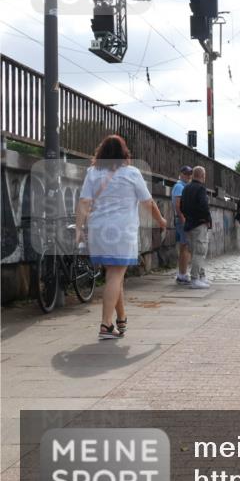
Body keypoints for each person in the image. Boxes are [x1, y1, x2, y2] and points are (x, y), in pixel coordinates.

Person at [76, 134, 167, 339]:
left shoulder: (92, 172)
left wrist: (79, 228)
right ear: (124, 153)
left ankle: (121, 318)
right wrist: (161, 221)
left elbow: (83, 202)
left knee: (113, 276)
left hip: (98, 229)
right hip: (121, 230)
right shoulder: (132, 173)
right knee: (116, 275)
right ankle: (106, 325)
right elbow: (148, 203)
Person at [181, 166, 213, 289]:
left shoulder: (186, 188)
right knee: (200, 252)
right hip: (199, 224)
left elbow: (182, 207)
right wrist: (207, 220)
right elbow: (204, 206)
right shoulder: (200, 189)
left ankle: (201, 276)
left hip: (189, 224)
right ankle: (195, 279)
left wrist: (189, 216)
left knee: (195, 252)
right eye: (204, 176)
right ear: (202, 176)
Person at [172, 166, 193, 284]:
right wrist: (183, 219)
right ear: (180, 174)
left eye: (190, 174)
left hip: (181, 219)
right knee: (185, 248)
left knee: (183, 247)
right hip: (182, 220)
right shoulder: (180, 186)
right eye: (186, 174)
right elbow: (178, 205)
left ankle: (181, 273)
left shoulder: (182, 186)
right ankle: (183, 274)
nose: (188, 176)